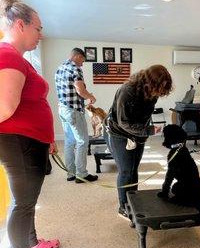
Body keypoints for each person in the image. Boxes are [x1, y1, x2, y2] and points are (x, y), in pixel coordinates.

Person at [0, 0, 59, 248]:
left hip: (28, 140)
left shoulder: (17, 57)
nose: (40, 35)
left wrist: (47, 138)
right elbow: (5, 106)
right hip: (17, 141)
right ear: (20, 25)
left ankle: (32, 245)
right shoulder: (7, 54)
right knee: (22, 203)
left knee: (28, 200)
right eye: (38, 28)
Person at [107, 65, 173, 219]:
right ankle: (123, 206)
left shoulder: (153, 92)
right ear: (149, 81)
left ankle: (133, 200)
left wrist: (147, 129)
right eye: (159, 87)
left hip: (138, 133)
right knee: (125, 171)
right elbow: (124, 122)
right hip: (119, 133)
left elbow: (145, 114)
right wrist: (148, 130)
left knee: (133, 169)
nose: (161, 92)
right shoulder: (127, 91)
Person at [55, 48, 98, 183]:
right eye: (82, 60)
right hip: (73, 110)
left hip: (62, 109)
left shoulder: (60, 68)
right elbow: (80, 89)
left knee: (69, 142)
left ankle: (71, 173)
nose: (82, 64)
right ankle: (81, 174)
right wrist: (90, 97)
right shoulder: (75, 68)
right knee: (82, 141)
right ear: (78, 56)